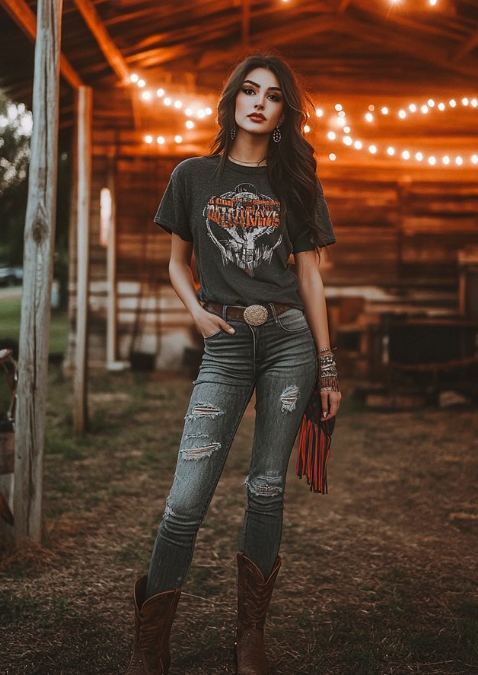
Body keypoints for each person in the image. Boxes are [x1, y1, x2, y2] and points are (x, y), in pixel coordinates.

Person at [123, 53, 341, 675]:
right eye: (249, 91)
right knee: (187, 497)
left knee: (266, 489)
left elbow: (310, 279)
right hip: (223, 340)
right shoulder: (193, 175)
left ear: (282, 114)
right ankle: (151, 640)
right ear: (233, 100)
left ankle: (249, 637)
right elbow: (175, 261)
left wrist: (327, 369)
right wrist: (196, 310)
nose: (258, 103)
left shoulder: (296, 179)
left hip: (289, 342)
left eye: (273, 96)